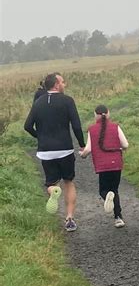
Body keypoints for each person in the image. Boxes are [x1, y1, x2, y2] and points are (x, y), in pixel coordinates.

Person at [24, 72, 85, 232]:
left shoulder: (38, 103)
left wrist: (40, 137)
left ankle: (52, 191)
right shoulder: (67, 101)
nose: (64, 84)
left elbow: (27, 126)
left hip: (46, 151)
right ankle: (70, 219)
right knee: (69, 182)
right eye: (63, 82)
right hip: (65, 149)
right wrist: (82, 144)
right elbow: (77, 126)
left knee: (51, 182)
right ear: (56, 84)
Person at [80, 105, 129, 228]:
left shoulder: (92, 129)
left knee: (103, 190)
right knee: (115, 190)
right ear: (108, 114)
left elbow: (88, 149)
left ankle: (107, 196)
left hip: (103, 166)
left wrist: (82, 155)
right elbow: (125, 144)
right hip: (116, 164)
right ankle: (118, 218)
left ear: (95, 115)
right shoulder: (115, 127)